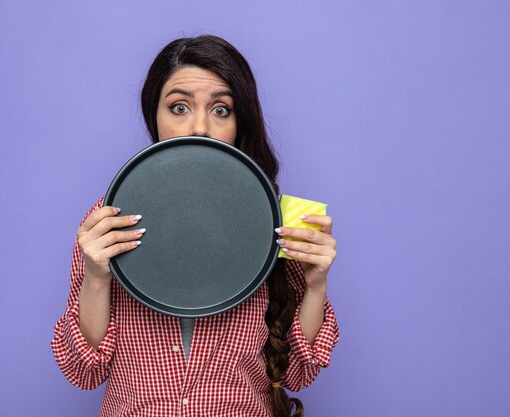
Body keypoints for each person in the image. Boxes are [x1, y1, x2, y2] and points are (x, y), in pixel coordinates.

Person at [51, 34, 340, 417]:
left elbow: (299, 374)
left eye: (221, 109)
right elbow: (82, 372)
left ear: (241, 123)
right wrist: (97, 277)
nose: (199, 127)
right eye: (179, 106)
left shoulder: (276, 219)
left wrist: (316, 284)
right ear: (154, 115)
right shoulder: (108, 221)